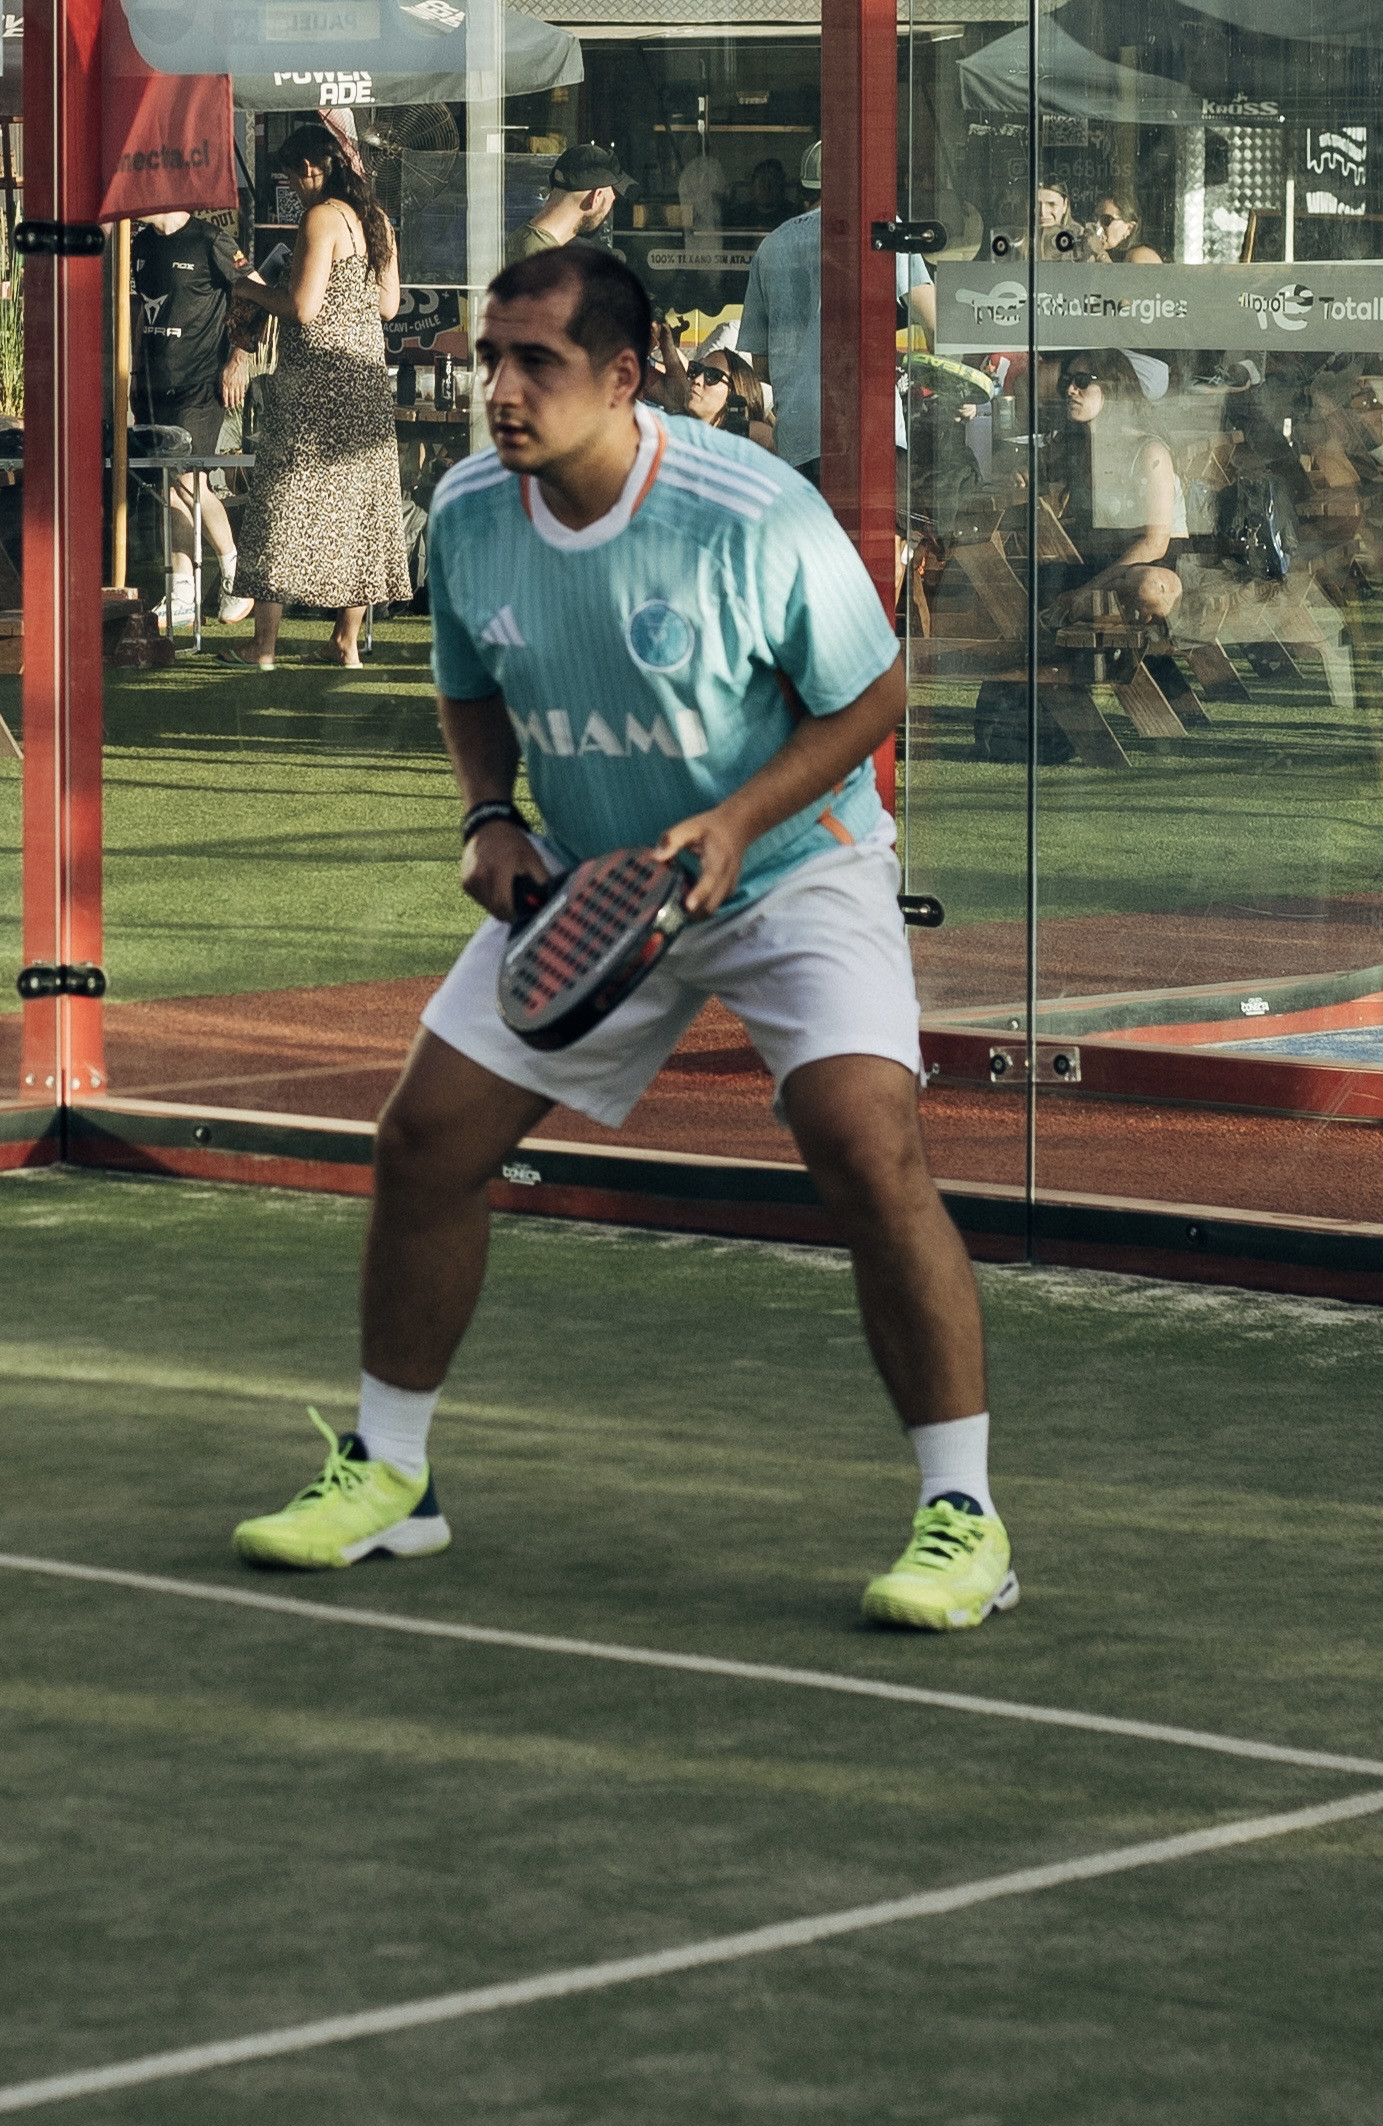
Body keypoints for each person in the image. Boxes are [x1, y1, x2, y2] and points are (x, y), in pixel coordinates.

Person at [232, 244, 1019, 1636]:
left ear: (623, 375)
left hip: (791, 867)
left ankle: (963, 1515)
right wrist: (489, 815)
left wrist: (735, 824)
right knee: (425, 1141)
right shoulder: (469, 508)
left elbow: (874, 694)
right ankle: (393, 1475)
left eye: (535, 361)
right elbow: (467, 682)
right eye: (490, 357)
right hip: (599, 884)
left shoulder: (750, 511)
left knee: (864, 1139)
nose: (500, 388)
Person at [221, 125, 410, 669]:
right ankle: (345, 642)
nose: (291, 187)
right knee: (360, 506)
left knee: (281, 504)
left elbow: (302, 308)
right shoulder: (377, 220)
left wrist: (249, 288)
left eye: (289, 177)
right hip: (365, 381)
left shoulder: (321, 217)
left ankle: (263, 647)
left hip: (315, 381)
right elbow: (389, 306)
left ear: (309, 168)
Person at [738, 139, 937, 485]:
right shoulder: (879, 229)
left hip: (798, 437)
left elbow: (762, 368)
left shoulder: (769, 248)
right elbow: (933, 320)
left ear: (804, 190)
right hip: (868, 426)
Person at [129, 212, 255, 629]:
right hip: (152, 385)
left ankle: (237, 572)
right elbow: (139, 313)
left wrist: (238, 358)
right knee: (169, 484)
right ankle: (183, 590)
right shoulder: (142, 243)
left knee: (188, 479)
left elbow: (256, 295)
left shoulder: (210, 240)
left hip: (199, 386)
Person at [1047, 349, 1184, 623]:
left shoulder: (1149, 452)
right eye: (1067, 381)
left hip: (1148, 565)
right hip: (1105, 561)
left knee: (1143, 587)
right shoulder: (1081, 447)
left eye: (1082, 381)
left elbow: (1155, 543)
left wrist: (1089, 590)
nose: (1071, 390)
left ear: (1113, 388)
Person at [504, 143, 637, 266]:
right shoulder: (544, 266)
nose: (610, 209)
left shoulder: (521, 240)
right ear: (595, 197)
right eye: (613, 200)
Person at [683, 346, 774, 448]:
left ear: (735, 391)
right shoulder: (679, 433)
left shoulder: (756, 437)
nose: (697, 380)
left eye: (712, 375)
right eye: (696, 369)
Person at [1093, 194, 1163, 266]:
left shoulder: (1140, 256)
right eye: (1095, 218)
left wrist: (1101, 255)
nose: (1097, 225)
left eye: (1106, 219)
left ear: (1129, 228)